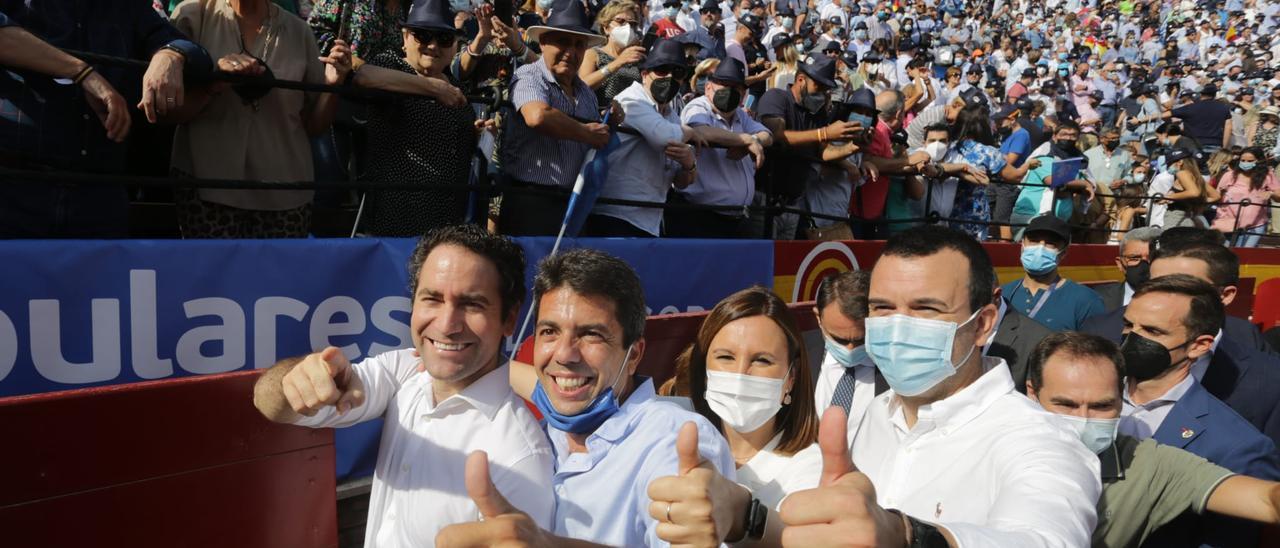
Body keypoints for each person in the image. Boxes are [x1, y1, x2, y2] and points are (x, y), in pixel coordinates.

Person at [779, 225, 1101, 546]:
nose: (897, 327)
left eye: (926, 308)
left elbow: (1046, 536)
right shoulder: (880, 411)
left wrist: (910, 536)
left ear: (982, 324)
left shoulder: (1041, 440)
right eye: (882, 308)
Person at [251, 225, 554, 547]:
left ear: (510, 318)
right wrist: (295, 381)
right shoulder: (405, 371)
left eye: (472, 304)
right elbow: (269, 405)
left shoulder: (520, 460)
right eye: (432, 299)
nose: (447, 324)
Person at [436, 248, 733, 547]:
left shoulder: (670, 440)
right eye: (550, 331)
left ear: (634, 355)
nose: (564, 354)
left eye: (591, 334)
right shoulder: (542, 428)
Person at [1025, 331, 1280, 548]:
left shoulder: (1149, 464)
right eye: (1065, 404)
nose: (1084, 419)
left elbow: (1264, 499)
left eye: (1102, 406)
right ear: (1032, 394)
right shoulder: (991, 443)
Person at [0, 1, 209, 238]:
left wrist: (171, 54)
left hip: (97, 198)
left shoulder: (126, 7)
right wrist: (82, 73)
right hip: (14, 190)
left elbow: (196, 55)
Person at [1113, 274, 1280, 547]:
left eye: (1153, 332)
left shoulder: (1239, 447)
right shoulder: (1082, 398)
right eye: (1129, 325)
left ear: (1199, 345)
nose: (1132, 338)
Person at [648, 286, 821, 546]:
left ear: (791, 378)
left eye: (762, 360)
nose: (741, 373)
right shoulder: (667, 445)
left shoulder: (812, 469)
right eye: (726, 357)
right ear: (704, 368)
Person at [166, 0, 352, 238]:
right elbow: (168, 113)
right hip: (208, 189)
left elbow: (314, 125)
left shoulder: (300, 32)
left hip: (285, 194)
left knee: (278, 276)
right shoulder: (192, 17)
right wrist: (214, 84)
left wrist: (333, 84)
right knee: (214, 274)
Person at [588, 38, 765, 237]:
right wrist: (690, 131)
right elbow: (664, 136)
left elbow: (680, 180)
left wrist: (690, 165)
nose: (670, 77)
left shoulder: (671, 114)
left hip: (650, 221)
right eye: (662, 70)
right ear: (645, 74)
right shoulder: (631, 99)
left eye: (678, 72)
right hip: (615, 215)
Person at [354, 0, 477, 236]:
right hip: (398, 213)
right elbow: (364, 75)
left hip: (447, 216)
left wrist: (479, 131)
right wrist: (431, 87)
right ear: (405, 37)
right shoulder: (391, 65)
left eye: (443, 39)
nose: (432, 46)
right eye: (422, 35)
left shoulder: (456, 85)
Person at [497, 0, 612, 236]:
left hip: (573, 203)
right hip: (530, 202)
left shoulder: (587, 94)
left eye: (579, 45)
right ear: (543, 42)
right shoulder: (529, 75)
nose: (571, 52)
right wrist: (587, 133)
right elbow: (537, 116)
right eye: (563, 41)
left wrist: (610, 119)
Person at [755, 55, 866, 239]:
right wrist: (824, 133)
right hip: (765, 199)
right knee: (761, 260)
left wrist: (854, 147)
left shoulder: (816, 114)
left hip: (793, 204)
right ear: (801, 80)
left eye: (826, 89)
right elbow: (777, 136)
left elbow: (824, 152)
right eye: (819, 87)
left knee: (785, 263)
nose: (823, 94)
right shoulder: (776, 97)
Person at [667, 57, 774, 238]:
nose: (730, 91)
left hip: (737, 219)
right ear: (709, 87)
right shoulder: (698, 106)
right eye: (724, 84)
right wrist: (744, 140)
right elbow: (700, 131)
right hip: (699, 216)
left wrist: (752, 140)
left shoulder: (740, 114)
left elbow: (768, 135)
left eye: (737, 88)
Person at [811, 270, 886, 448]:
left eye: (861, 340)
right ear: (818, 318)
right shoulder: (795, 355)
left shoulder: (900, 368)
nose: (850, 349)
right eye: (840, 339)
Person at [1000, 215, 1105, 331]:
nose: (1040, 248)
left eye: (1050, 243)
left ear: (1063, 253)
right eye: (1034, 241)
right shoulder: (1002, 295)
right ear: (1022, 245)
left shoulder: (1087, 301)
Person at [580, 0, 646, 104]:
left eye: (632, 24)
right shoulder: (593, 53)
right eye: (620, 21)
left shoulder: (638, 57)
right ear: (606, 27)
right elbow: (582, 86)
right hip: (601, 115)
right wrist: (618, 62)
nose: (627, 27)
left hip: (634, 115)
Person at [1211, 147, 1279, 247]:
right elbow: (1217, 197)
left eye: (1250, 161)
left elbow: (1278, 196)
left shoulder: (1267, 176)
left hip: (1255, 225)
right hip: (1228, 224)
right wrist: (1220, 193)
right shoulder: (1229, 176)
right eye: (1242, 160)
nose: (1245, 163)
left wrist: (1271, 194)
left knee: (1244, 256)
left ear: (1259, 161)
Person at [1092, 226, 1161, 312]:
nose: (1144, 264)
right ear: (1120, 264)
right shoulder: (1097, 298)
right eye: (1134, 258)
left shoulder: (1179, 299)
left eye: (1152, 257)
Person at [1157, 147, 1212, 229]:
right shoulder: (1196, 177)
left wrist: (1168, 197)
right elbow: (1216, 196)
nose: (1168, 167)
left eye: (1170, 164)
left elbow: (1194, 192)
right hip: (1190, 217)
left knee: (1167, 240)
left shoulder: (1181, 173)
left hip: (1176, 217)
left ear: (1180, 162)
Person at [1168, 83, 1232, 154]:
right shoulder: (1223, 108)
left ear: (1201, 94)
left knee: (1194, 164)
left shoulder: (1191, 108)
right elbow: (1228, 128)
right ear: (1214, 94)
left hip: (1194, 144)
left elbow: (1167, 114)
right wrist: (1224, 147)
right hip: (1215, 144)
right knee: (1213, 165)